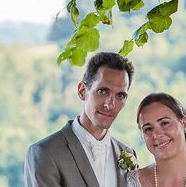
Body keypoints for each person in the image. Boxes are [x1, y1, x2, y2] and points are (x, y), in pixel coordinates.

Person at [24, 51, 136, 187]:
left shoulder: (128, 153)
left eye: (120, 96)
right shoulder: (45, 152)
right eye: (103, 91)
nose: (110, 104)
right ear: (82, 91)